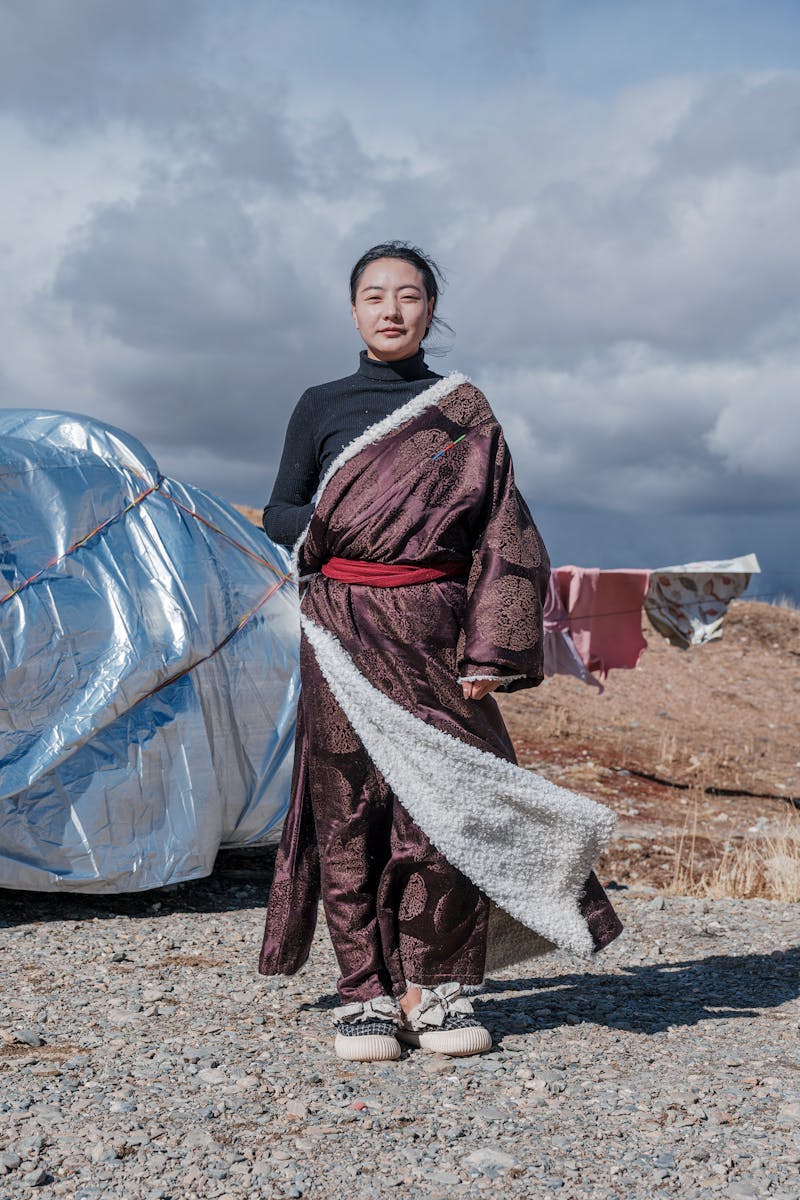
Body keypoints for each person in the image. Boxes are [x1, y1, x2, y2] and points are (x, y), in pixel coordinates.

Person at [259, 241, 621, 1062]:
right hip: (340, 630)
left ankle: (438, 991)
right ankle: (367, 995)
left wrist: (491, 646)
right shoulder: (320, 404)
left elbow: (505, 530)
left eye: (410, 295)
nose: (392, 309)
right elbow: (280, 508)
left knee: (448, 810)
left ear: (431, 311)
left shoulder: (463, 411)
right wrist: (322, 529)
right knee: (347, 812)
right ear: (353, 310)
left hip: (439, 630)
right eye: (375, 295)